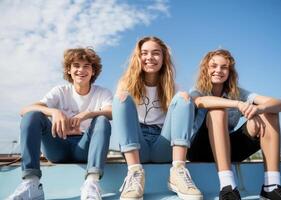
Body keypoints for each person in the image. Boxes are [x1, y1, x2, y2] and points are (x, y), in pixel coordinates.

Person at [7, 48, 113, 200]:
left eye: (86, 66)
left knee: (102, 119)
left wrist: (88, 114)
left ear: (93, 70)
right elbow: (25, 110)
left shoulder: (102, 92)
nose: (81, 70)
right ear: (69, 70)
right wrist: (54, 112)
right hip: (58, 146)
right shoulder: (60, 91)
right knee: (32, 116)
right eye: (76, 65)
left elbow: (112, 112)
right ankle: (31, 183)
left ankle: (91, 183)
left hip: (84, 148)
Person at [187, 49, 281, 200]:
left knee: (269, 114)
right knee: (217, 111)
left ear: (230, 71)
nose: (219, 70)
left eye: (224, 67)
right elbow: (200, 101)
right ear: (206, 69)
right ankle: (228, 188)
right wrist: (238, 104)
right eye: (214, 66)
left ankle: (271, 186)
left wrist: (258, 109)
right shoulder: (198, 90)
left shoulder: (238, 92)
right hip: (199, 151)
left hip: (228, 150)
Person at [112, 36, 202, 200]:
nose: (149, 58)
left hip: (164, 144)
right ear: (138, 58)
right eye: (144, 53)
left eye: (156, 53)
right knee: (121, 98)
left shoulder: (173, 86)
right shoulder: (126, 83)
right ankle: (134, 172)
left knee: (183, 98)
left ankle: (178, 171)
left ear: (163, 57)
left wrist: (183, 97)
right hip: (138, 146)